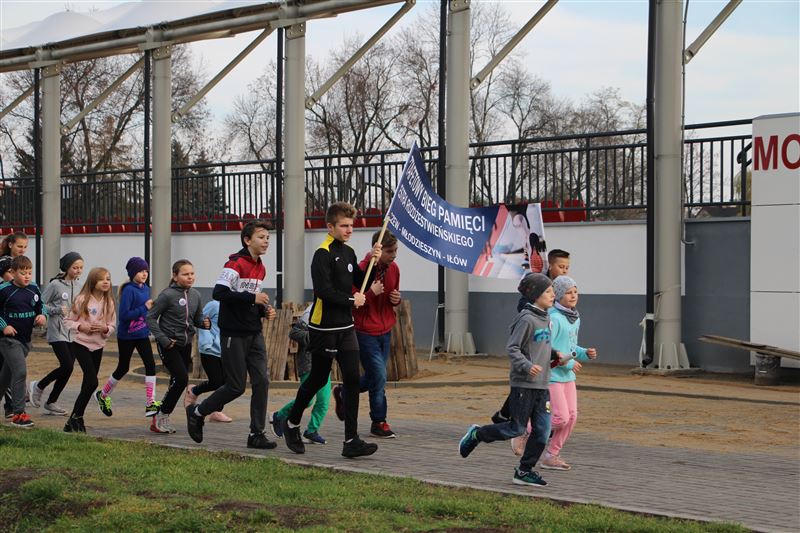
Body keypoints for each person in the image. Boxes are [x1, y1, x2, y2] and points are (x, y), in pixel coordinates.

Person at [280, 202, 380, 458]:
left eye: (351, 226)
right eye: (344, 225)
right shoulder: (322, 254)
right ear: (330, 226)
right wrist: (352, 300)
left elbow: (361, 281)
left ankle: (351, 440)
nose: (349, 230)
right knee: (317, 378)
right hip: (324, 327)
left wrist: (374, 261)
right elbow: (324, 292)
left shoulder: (348, 252)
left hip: (346, 326)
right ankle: (292, 422)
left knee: (352, 379)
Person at [458, 272, 567, 487]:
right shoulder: (526, 319)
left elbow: (540, 346)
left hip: (543, 385)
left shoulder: (546, 318)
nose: (553, 295)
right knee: (516, 429)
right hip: (524, 384)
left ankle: (524, 471)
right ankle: (478, 434)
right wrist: (527, 366)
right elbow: (513, 348)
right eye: (548, 291)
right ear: (535, 295)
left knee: (543, 431)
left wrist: (555, 354)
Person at [186, 220, 277, 450]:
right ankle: (197, 412)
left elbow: (249, 301)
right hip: (233, 333)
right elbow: (220, 293)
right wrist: (253, 298)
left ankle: (256, 434)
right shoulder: (234, 264)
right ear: (247, 240)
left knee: (262, 382)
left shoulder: (261, 267)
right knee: (236, 386)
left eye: (268, 237)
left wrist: (263, 310)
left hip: (254, 332)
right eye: (261, 237)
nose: (266, 241)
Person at [493, 247, 574, 425]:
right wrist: (538, 314)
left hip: (551, 338)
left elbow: (567, 308)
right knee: (529, 383)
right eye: (561, 267)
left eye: (567, 267)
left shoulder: (563, 286)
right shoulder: (538, 283)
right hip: (536, 339)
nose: (564, 271)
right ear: (550, 266)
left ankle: (535, 422)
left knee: (541, 383)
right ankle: (513, 418)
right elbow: (524, 306)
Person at [335, 229, 401, 438]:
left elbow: (393, 296)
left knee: (375, 376)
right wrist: (371, 293)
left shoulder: (394, 269)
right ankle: (379, 421)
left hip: (385, 329)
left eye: (395, 250)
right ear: (378, 249)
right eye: (389, 251)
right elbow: (354, 302)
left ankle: (344, 392)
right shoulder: (362, 269)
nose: (394, 255)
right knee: (379, 375)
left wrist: (396, 299)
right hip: (365, 332)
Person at [538, 276, 597, 470]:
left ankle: (551, 455)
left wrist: (584, 353)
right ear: (558, 295)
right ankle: (525, 431)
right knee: (560, 418)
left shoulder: (575, 317)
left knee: (571, 417)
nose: (573, 296)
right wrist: (569, 362)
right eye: (568, 292)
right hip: (553, 376)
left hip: (568, 378)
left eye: (575, 292)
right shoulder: (553, 318)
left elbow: (570, 346)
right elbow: (548, 349)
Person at [146, 260, 210, 434]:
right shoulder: (167, 295)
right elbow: (150, 318)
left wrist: (204, 323)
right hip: (168, 345)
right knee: (181, 379)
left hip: (185, 344)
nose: (190, 277)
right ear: (175, 276)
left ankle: (161, 416)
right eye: (185, 274)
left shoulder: (196, 295)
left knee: (176, 380)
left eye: (192, 273)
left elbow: (197, 319)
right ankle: (161, 415)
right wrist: (163, 339)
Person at [96, 257, 159, 418]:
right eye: (140, 271)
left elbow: (146, 313)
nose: (144, 274)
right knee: (123, 367)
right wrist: (144, 307)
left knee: (150, 365)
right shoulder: (129, 290)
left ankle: (150, 403)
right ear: (132, 273)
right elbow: (124, 315)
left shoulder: (146, 288)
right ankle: (103, 395)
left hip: (142, 334)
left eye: (146, 271)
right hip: (127, 336)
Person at [29, 252, 84, 416]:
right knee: (67, 365)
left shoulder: (80, 286)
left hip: (72, 333)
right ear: (67, 268)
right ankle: (38, 386)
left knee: (68, 369)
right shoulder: (55, 285)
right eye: (75, 267)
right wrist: (57, 310)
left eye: (81, 267)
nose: (78, 270)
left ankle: (51, 402)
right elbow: (40, 305)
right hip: (57, 331)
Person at [63, 267, 116, 433]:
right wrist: (81, 326)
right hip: (81, 344)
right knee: (93, 382)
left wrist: (105, 329)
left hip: (98, 345)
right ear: (93, 282)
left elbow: (112, 325)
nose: (106, 282)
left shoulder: (109, 302)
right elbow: (67, 321)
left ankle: (74, 420)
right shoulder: (82, 299)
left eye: (108, 279)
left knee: (87, 384)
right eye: (102, 279)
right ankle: (76, 417)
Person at [270, 306, 330, 444]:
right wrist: (314, 338)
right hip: (308, 363)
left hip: (324, 361)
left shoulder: (336, 311)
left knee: (324, 400)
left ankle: (311, 431)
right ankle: (279, 416)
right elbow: (294, 332)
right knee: (308, 400)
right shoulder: (311, 311)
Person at [0, 256, 46, 428]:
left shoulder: (33, 288)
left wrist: (42, 315)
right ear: (13, 273)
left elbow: (41, 305)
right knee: (20, 372)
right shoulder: (4, 290)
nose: (27, 276)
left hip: (26, 340)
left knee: (5, 377)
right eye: (22, 273)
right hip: (8, 340)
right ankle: (19, 414)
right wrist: (4, 326)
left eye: (29, 273)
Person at [184, 299, 231, 423]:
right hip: (210, 350)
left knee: (226, 383)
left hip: (225, 351)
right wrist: (207, 343)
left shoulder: (233, 307)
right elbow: (200, 321)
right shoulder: (214, 305)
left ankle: (216, 411)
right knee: (216, 382)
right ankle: (194, 391)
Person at [0, 232, 28, 418]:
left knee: (7, 367)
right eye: (19, 246)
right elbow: (11, 283)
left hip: (14, 323)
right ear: (10, 245)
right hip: (5, 322)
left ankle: (12, 404)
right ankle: (12, 406)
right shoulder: (5, 262)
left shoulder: (19, 263)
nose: (22, 250)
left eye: (25, 247)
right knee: (10, 366)